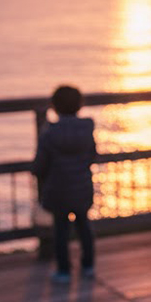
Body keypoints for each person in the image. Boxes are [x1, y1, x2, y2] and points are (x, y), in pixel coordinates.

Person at [32, 85, 97, 283]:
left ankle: (64, 271)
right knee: (84, 225)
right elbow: (93, 155)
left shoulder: (49, 133)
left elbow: (40, 164)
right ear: (80, 105)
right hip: (82, 187)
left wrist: (37, 172)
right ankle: (88, 266)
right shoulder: (86, 129)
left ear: (54, 107)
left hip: (59, 189)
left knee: (60, 230)